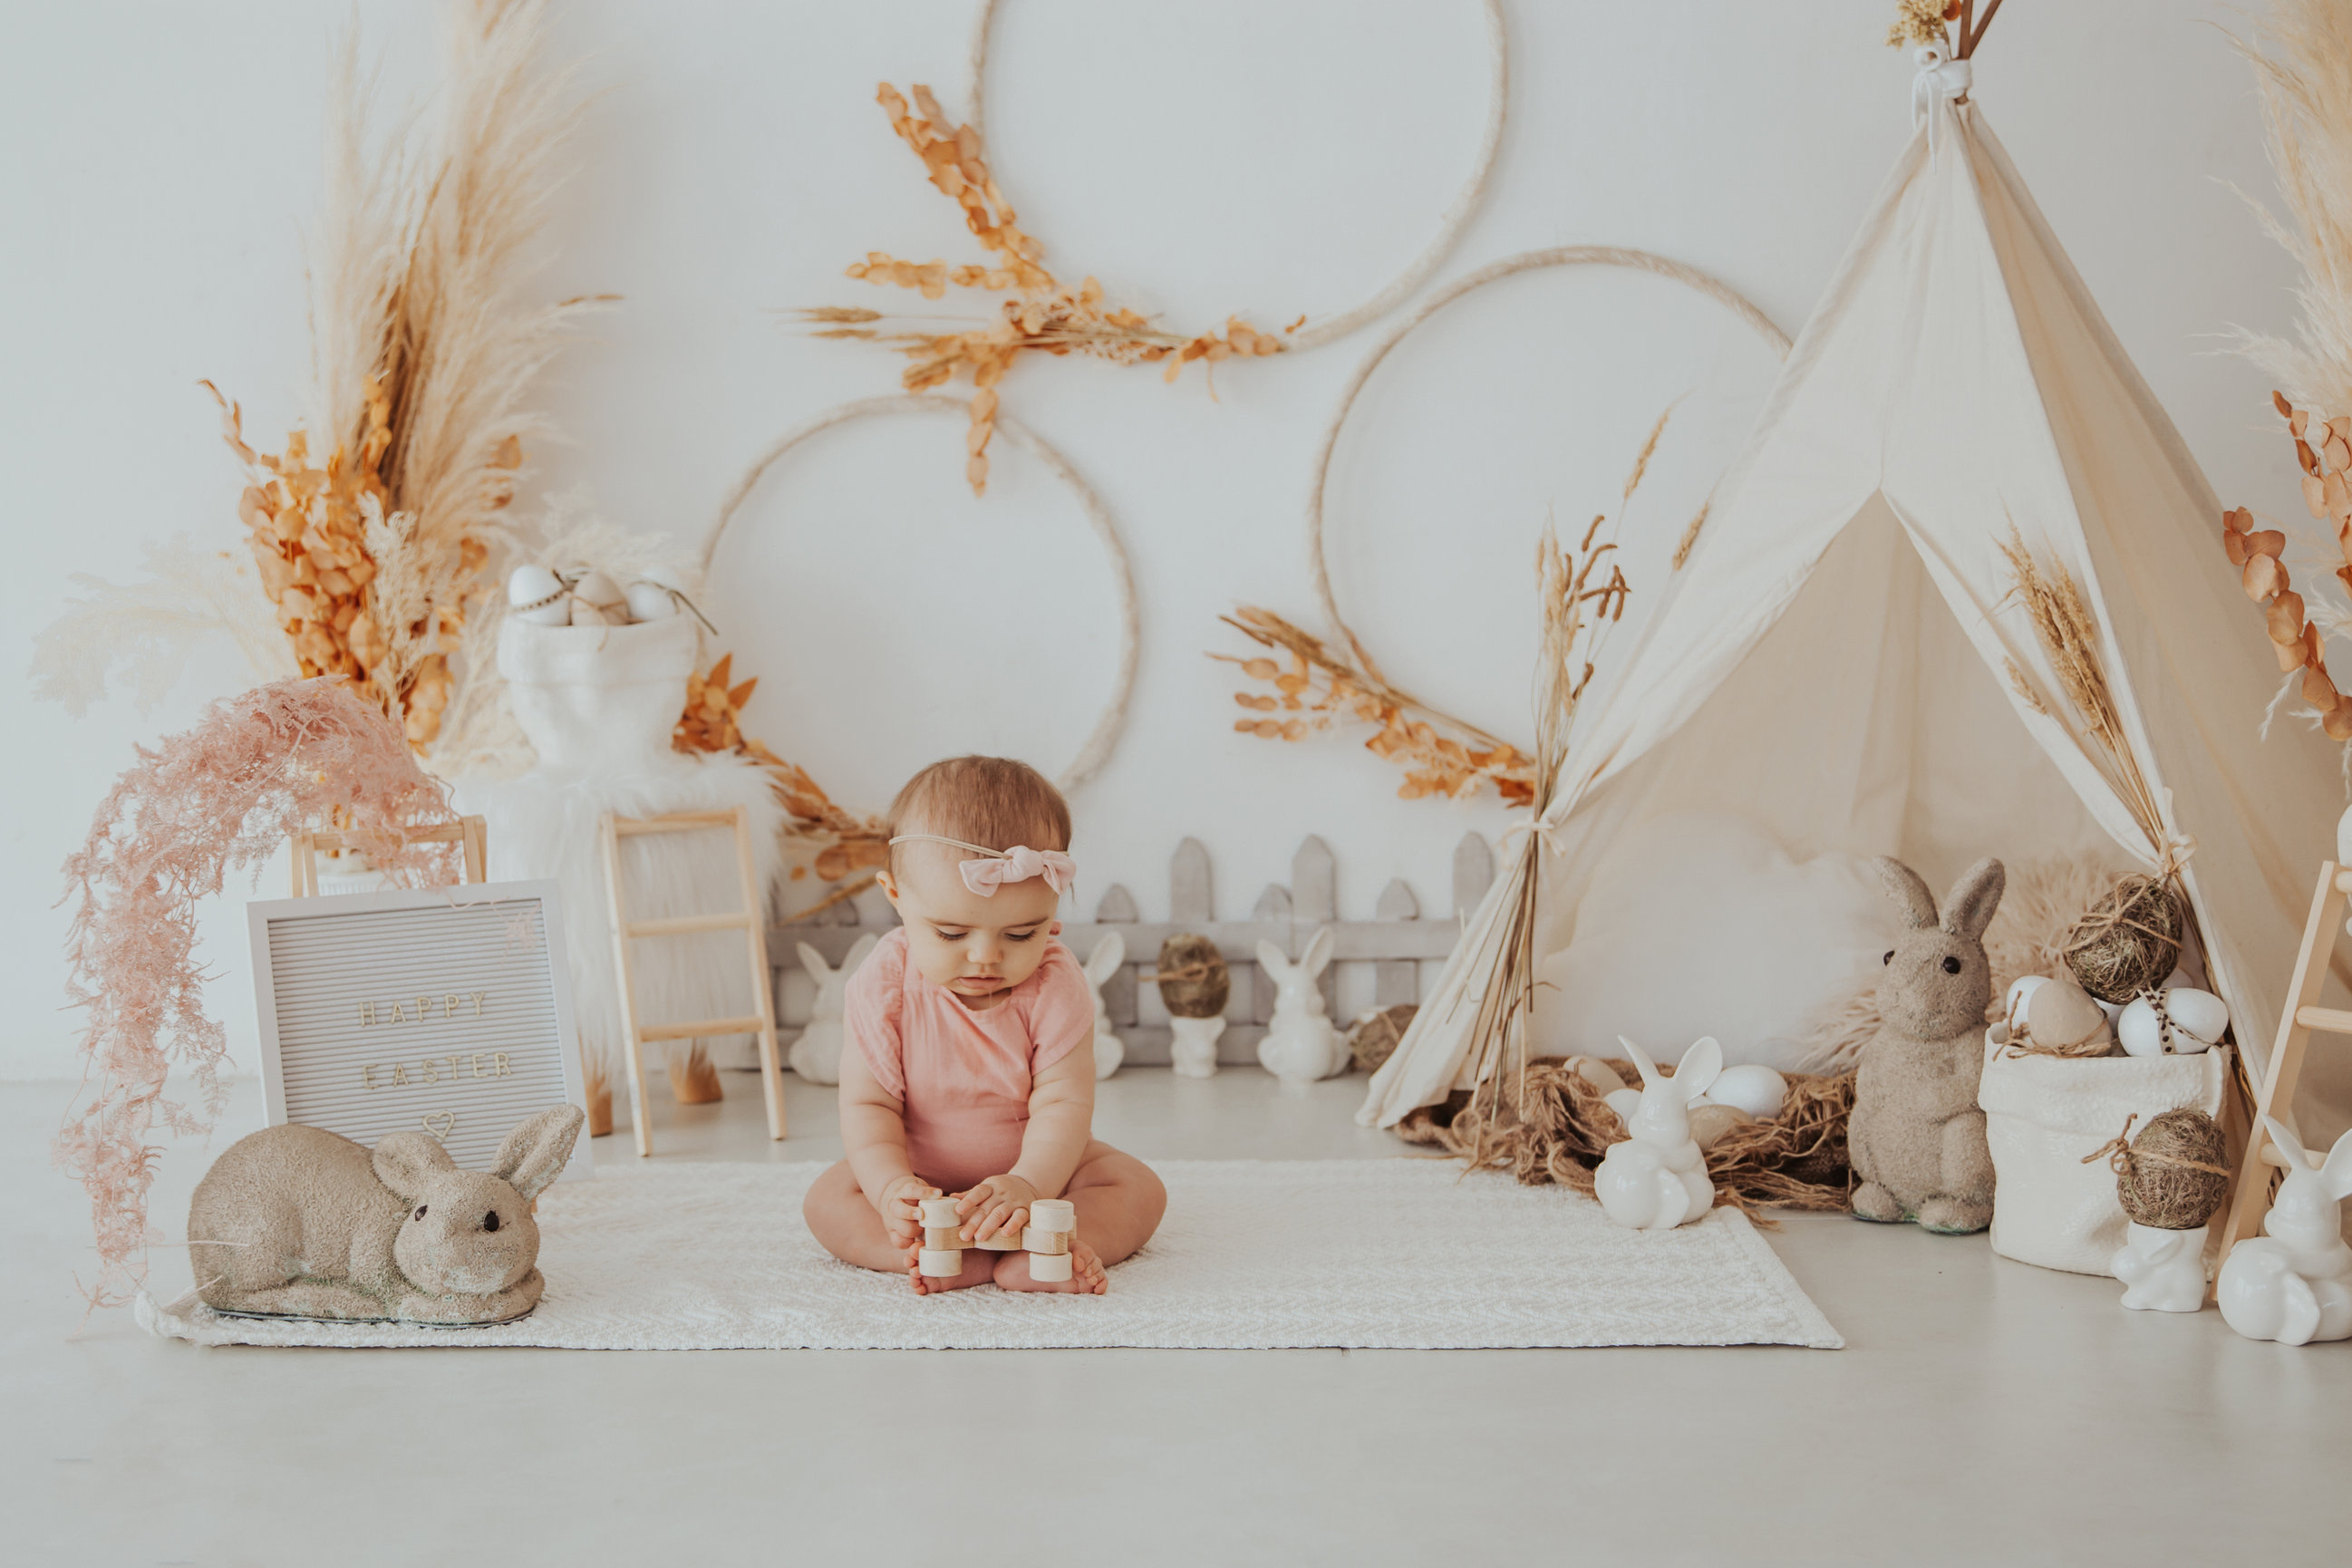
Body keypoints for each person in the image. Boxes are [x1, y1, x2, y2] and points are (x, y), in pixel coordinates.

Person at [801, 755, 1166, 1293]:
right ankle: (931, 1250)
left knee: (1136, 1187)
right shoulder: (885, 982)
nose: (985, 958)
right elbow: (869, 1105)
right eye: (951, 933)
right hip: (922, 1178)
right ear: (897, 898)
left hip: (1041, 1174)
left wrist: (1029, 1183)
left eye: (1021, 934)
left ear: (1053, 910)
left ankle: (1046, 1246)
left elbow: (1064, 1104)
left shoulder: (1054, 984)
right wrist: (889, 1190)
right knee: (828, 1201)